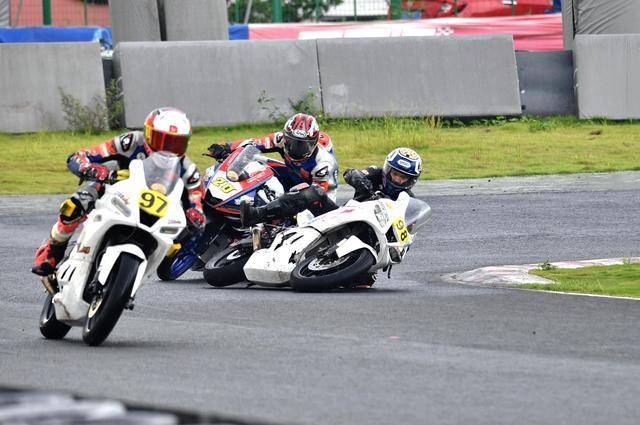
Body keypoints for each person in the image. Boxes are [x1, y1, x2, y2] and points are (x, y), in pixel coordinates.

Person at [32, 107, 205, 277]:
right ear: (148, 134)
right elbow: (81, 156)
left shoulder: (188, 170)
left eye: (175, 143)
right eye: (162, 141)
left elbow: (196, 202)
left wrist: (195, 215)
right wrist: (91, 169)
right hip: (115, 190)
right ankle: (53, 249)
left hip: (155, 212)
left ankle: (137, 271)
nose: (167, 148)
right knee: (73, 207)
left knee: (181, 237)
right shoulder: (131, 141)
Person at [207, 113, 339, 226]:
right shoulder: (280, 138)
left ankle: (259, 215)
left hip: (320, 201)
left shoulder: (323, 162)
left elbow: (316, 193)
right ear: (285, 137)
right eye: (291, 143)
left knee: (307, 199)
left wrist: (290, 202)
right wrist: (227, 147)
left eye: (302, 146)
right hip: (295, 176)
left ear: (314, 143)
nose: (295, 149)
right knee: (260, 164)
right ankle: (242, 199)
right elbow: (255, 144)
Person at [344, 147, 422, 202]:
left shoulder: (408, 198)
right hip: (356, 213)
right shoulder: (375, 172)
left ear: (411, 179)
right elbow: (349, 173)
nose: (397, 179)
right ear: (387, 170)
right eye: (395, 174)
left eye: (403, 177)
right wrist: (363, 185)